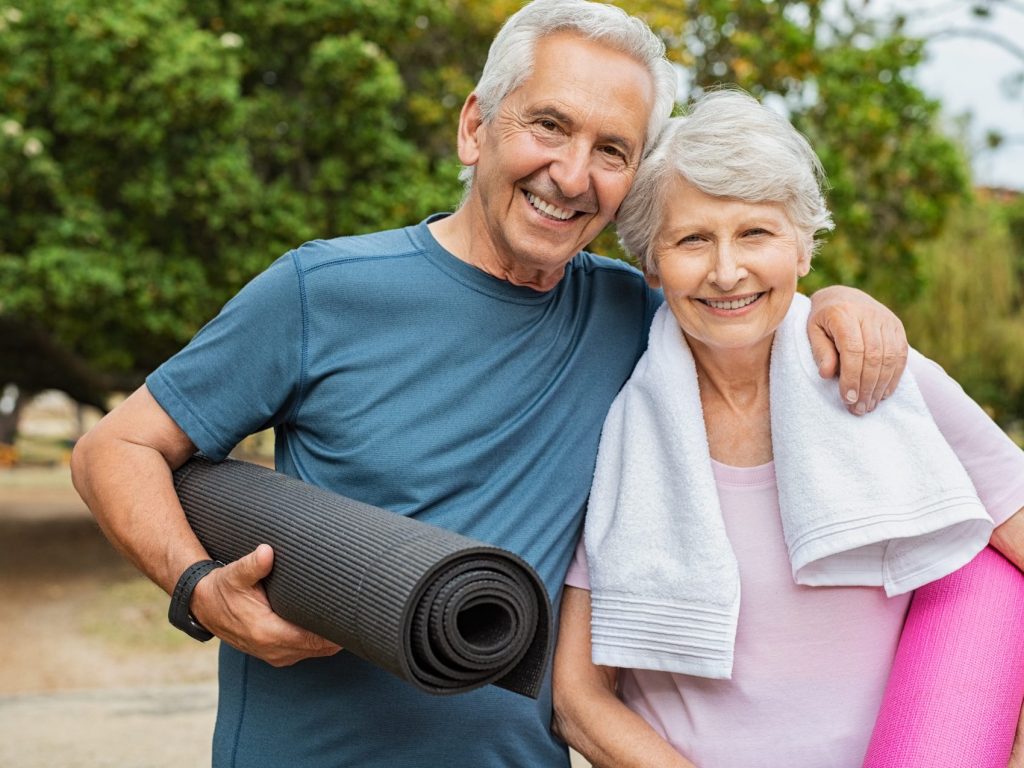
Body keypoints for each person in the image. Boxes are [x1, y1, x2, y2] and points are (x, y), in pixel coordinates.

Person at [70, 3, 908, 767]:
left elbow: (740, 288)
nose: (573, 174)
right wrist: (195, 589)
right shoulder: (319, 291)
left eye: (611, 150)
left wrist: (835, 301)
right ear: (476, 126)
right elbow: (117, 446)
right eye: (549, 125)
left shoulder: (637, 318)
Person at [551, 88, 1024, 768]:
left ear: (802, 248)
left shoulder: (890, 379)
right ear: (652, 265)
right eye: (692, 239)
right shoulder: (617, 424)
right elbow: (579, 698)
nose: (726, 270)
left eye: (756, 233)